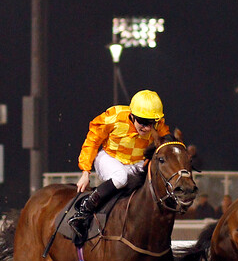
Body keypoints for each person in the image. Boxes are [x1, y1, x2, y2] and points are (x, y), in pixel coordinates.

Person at [69, 90, 171, 245]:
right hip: (110, 158)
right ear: (132, 115)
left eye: (151, 123)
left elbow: (168, 145)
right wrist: (85, 171)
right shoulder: (114, 117)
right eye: (142, 122)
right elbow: (93, 141)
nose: (147, 128)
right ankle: (83, 211)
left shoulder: (158, 126)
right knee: (120, 178)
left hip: (136, 163)